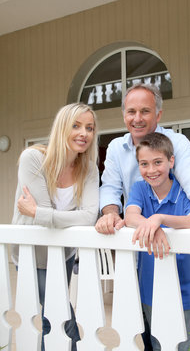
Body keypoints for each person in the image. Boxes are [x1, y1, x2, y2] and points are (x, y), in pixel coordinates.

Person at [95, 82, 190, 242]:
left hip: (178, 241)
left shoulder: (177, 142)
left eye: (145, 111)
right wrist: (111, 215)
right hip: (137, 243)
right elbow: (110, 188)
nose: (137, 118)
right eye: (131, 112)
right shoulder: (116, 147)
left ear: (158, 115)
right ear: (124, 115)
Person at [12, 103, 99, 351]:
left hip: (65, 253)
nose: (84, 133)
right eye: (76, 126)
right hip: (33, 254)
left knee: (53, 316)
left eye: (89, 128)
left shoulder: (89, 168)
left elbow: (90, 216)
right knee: (59, 312)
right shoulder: (33, 158)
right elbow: (45, 218)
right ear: (62, 127)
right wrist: (46, 214)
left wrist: (40, 213)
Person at [125, 132, 190, 351]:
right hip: (149, 288)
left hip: (185, 289)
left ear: (171, 161)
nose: (151, 170)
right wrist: (152, 226)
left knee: (184, 345)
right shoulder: (140, 188)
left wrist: (159, 219)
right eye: (144, 164)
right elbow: (130, 216)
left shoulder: (182, 189)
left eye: (158, 162)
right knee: (157, 344)